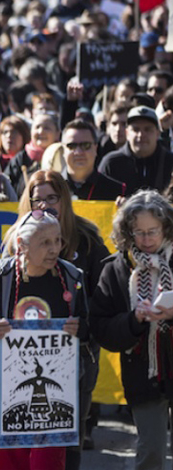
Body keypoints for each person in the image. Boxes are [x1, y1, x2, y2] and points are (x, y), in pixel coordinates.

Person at [0, 210, 87, 470]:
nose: (54, 248)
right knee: (7, 464)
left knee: (48, 464)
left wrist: (81, 329)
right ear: (21, 245)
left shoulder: (72, 277)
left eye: (57, 240)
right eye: (45, 242)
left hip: (57, 393)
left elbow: (91, 328)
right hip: (4, 388)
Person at [18, 170, 109, 464]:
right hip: (26, 355)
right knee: (29, 438)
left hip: (78, 354)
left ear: (65, 200)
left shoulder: (88, 239)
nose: (44, 206)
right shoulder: (17, 240)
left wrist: (84, 323)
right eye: (37, 200)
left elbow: (106, 297)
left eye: (51, 199)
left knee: (69, 436)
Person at [90, 190, 173, 470]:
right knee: (151, 451)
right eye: (139, 232)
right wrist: (134, 320)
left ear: (166, 228)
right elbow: (100, 328)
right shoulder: (115, 269)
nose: (147, 240)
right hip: (143, 374)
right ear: (127, 231)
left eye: (153, 231)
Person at [99, 105, 173, 193]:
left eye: (148, 129)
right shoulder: (111, 163)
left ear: (157, 133)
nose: (141, 135)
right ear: (127, 133)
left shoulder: (170, 163)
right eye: (136, 129)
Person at [60, 120, 126, 201]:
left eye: (86, 145)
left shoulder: (117, 191)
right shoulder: (51, 187)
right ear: (63, 151)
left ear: (95, 148)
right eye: (72, 146)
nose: (79, 152)